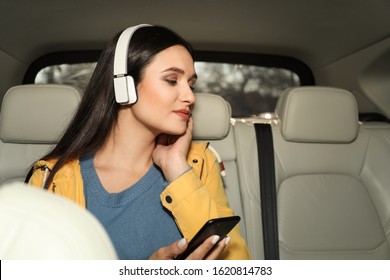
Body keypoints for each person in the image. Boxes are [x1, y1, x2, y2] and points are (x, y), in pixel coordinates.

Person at [27, 24, 251, 260]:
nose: (190, 97)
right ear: (124, 86)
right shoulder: (50, 179)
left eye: (191, 84)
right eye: (172, 80)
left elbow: (239, 265)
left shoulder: (199, 164)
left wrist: (177, 169)